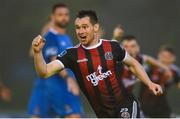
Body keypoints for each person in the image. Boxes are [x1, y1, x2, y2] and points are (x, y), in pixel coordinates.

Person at [31, 10, 163, 118]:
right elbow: (45, 72)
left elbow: (133, 64)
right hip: (103, 114)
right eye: (77, 28)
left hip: (125, 104)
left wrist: (150, 83)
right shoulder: (72, 55)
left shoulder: (112, 47)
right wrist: (37, 53)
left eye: (84, 27)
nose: (80, 31)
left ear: (95, 27)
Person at [28, 3, 82, 118]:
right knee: (74, 116)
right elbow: (54, 61)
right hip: (57, 87)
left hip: (63, 86)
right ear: (52, 17)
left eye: (66, 14)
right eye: (60, 15)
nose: (64, 17)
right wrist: (69, 79)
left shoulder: (66, 37)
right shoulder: (50, 37)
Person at [138, 45, 180, 118]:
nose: (165, 59)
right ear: (159, 56)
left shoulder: (175, 71)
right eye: (163, 56)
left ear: (173, 58)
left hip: (162, 107)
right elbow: (136, 77)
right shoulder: (150, 67)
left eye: (168, 57)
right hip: (144, 106)